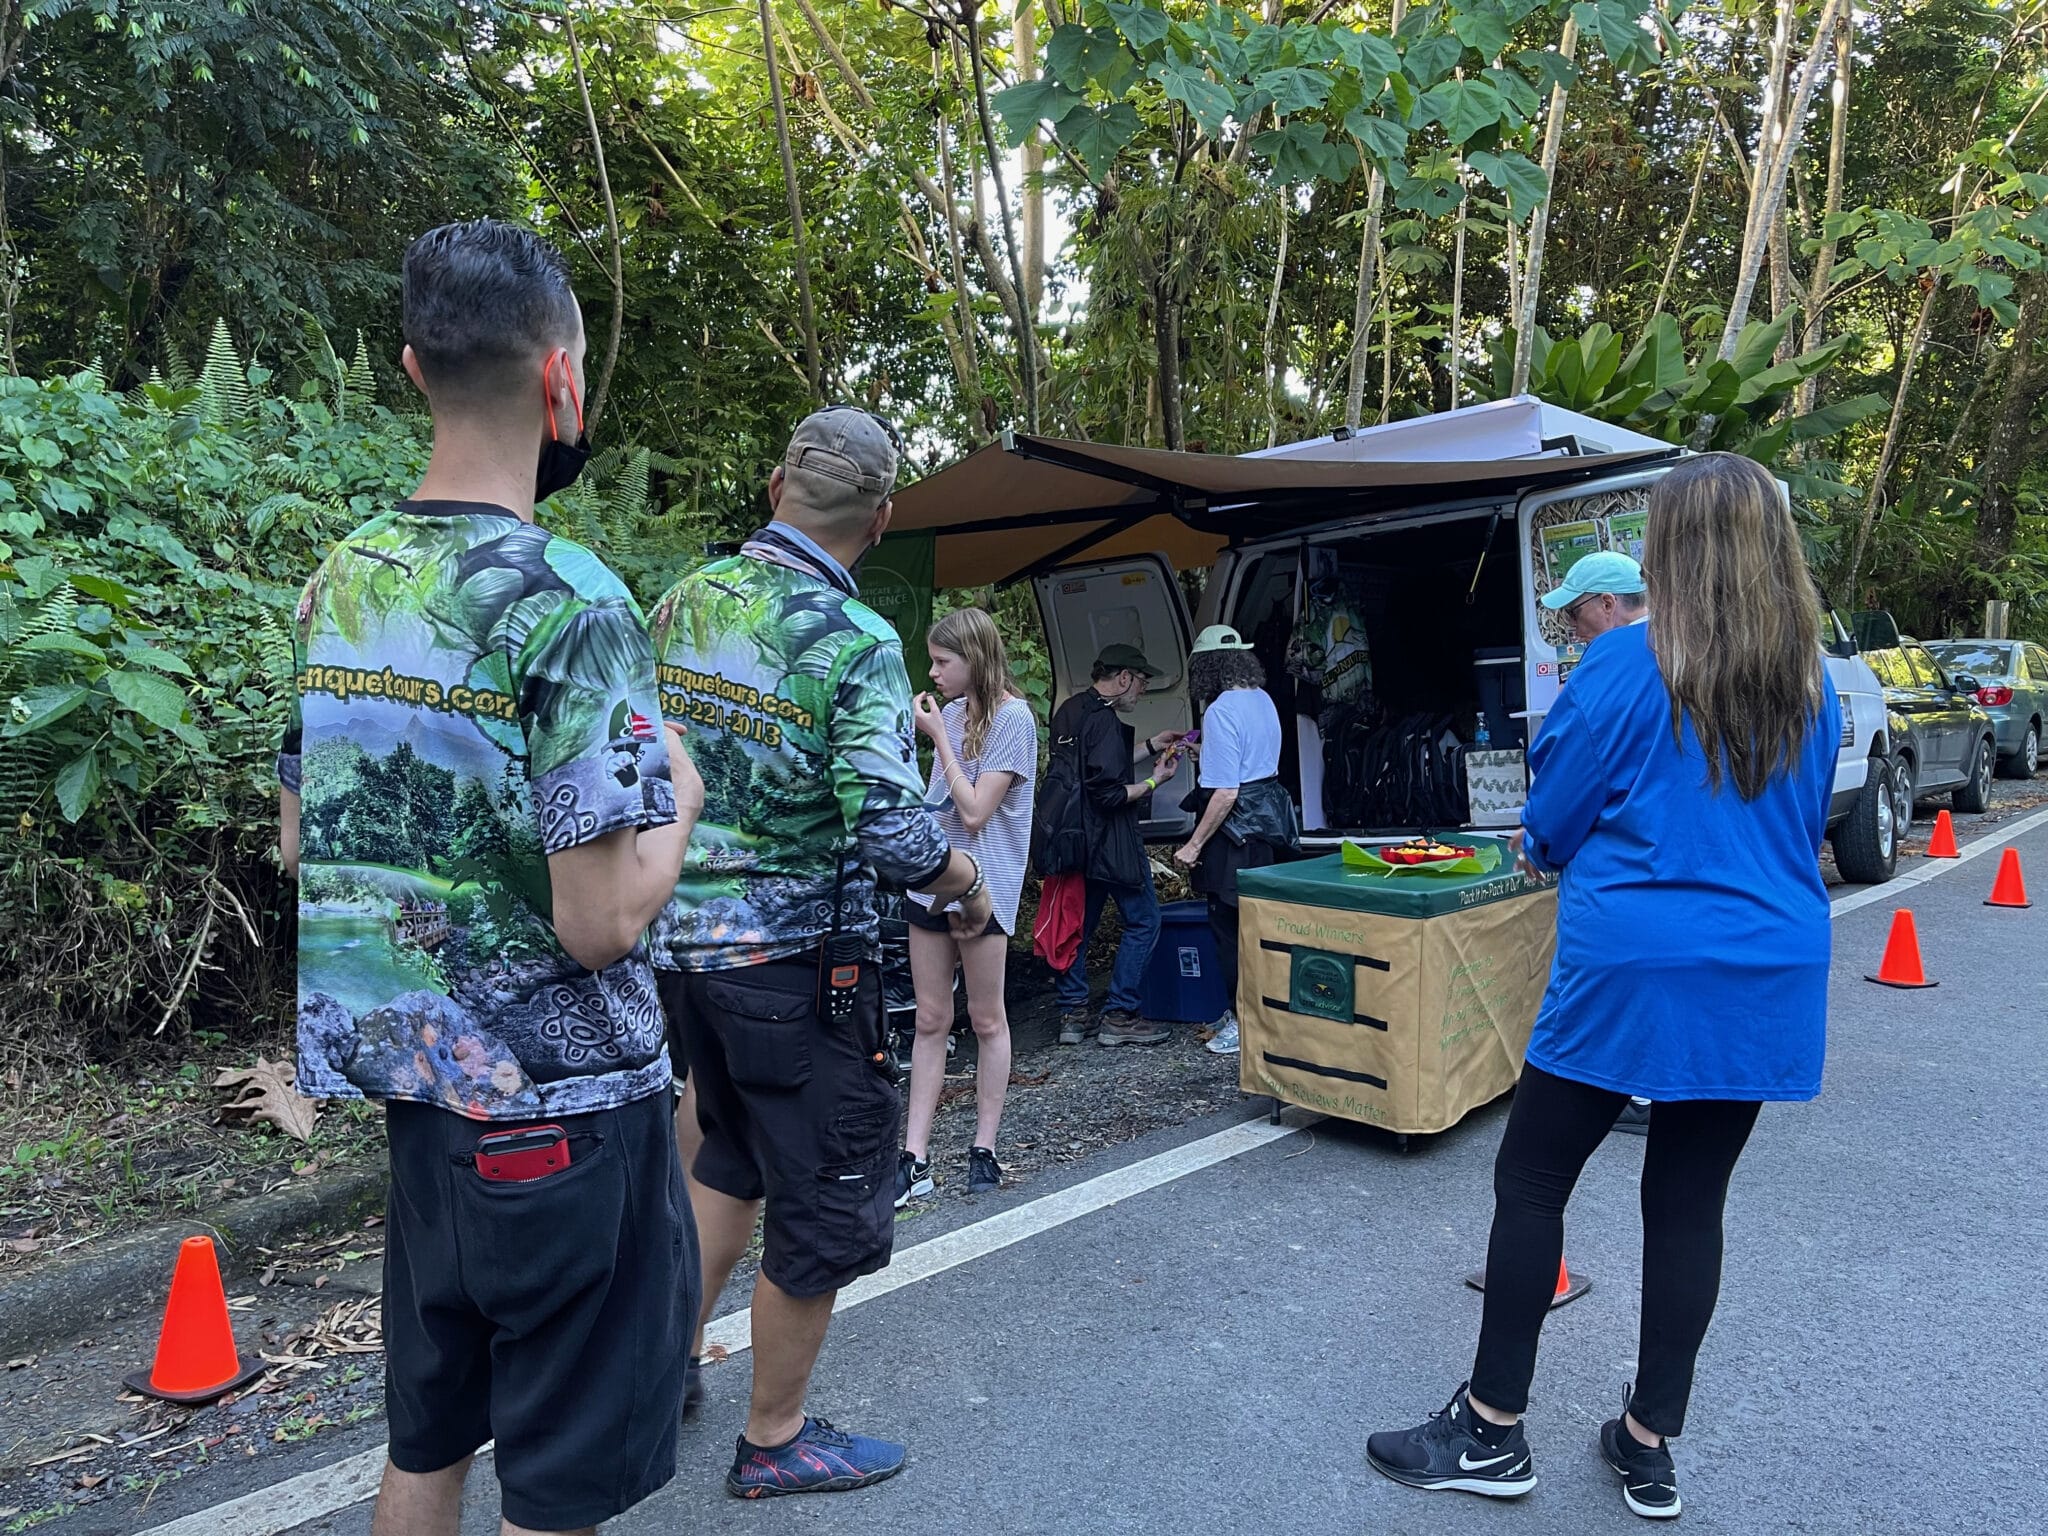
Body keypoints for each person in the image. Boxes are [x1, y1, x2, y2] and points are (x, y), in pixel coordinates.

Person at [277, 220, 704, 1536]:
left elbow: (302, 846)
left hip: (424, 1106)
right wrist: (681, 794)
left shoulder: (338, 585)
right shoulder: (573, 603)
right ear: (563, 379)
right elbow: (599, 922)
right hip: (570, 1120)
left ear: (416, 368)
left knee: (431, 1437)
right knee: (561, 1486)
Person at [1366, 453, 1840, 1522]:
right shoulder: (1805, 684)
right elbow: (1798, 830)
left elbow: (1550, 821)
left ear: (1668, 550)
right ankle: (1646, 1441)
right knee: (1687, 1204)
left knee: (1533, 1178)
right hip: (1762, 963)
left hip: (1629, 964)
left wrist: (1554, 843)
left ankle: (1490, 1432)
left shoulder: (1621, 665)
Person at [647, 406, 993, 1499]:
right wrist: (970, 890)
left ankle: (662, 1371)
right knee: (829, 1194)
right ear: (881, 519)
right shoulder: (852, 647)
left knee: (725, 1161)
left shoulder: (678, 604)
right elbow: (895, 834)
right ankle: (775, 1436)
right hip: (799, 975)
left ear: (771, 486)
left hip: (680, 958)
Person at [896, 607, 1039, 1204]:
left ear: (974, 659)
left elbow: (977, 810)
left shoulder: (1014, 719)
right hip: (933, 880)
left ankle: (985, 1147)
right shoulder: (953, 714)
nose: (933, 673)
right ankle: (914, 1158)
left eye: (942, 661)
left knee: (986, 1019)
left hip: (987, 882)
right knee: (930, 1019)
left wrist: (941, 743)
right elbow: (939, 803)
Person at [1542, 549, 1656, 1136]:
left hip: (1620, 895)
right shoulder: (1728, 656)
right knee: (1687, 1198)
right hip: (1740, 918)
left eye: (1576, 611)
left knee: (1528, 1178)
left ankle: (1627, 1091)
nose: (1570, 627)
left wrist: (1540, 844)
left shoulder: (1609, 665)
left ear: (1609, 605)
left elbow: (1565, 790)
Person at [1048, 645, 1185, 1046]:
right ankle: (1120, 1013)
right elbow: (1107, 793)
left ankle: (1073, 1014)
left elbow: (1098, 764)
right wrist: (1157, 780)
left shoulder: (1071, 711)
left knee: (1078, 927)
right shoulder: (1106, 720)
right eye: (1141, 682)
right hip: (1111, 842)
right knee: (1144, 920)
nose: (1140, 691)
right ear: (1123, 678)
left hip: (1073, 841)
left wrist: (1152, 746)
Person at [1172, 626, 1298, 1057]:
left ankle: (1242, 1022)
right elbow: (1252, 761)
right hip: (1267, 825)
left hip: (1236, 833)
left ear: (1205, 666)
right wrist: (1205, 751)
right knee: (1260, 928)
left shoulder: (1220, 709)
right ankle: (1262, 1015)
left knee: (1229, 931)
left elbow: (1226, 792)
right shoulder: (1262, 698)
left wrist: (1193, 844)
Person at [1542, 549, 1648, 646]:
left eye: (1574, 613)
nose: (1571, 624)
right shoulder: (1660, 643)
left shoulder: (1608, 657)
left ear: (1607, 604)